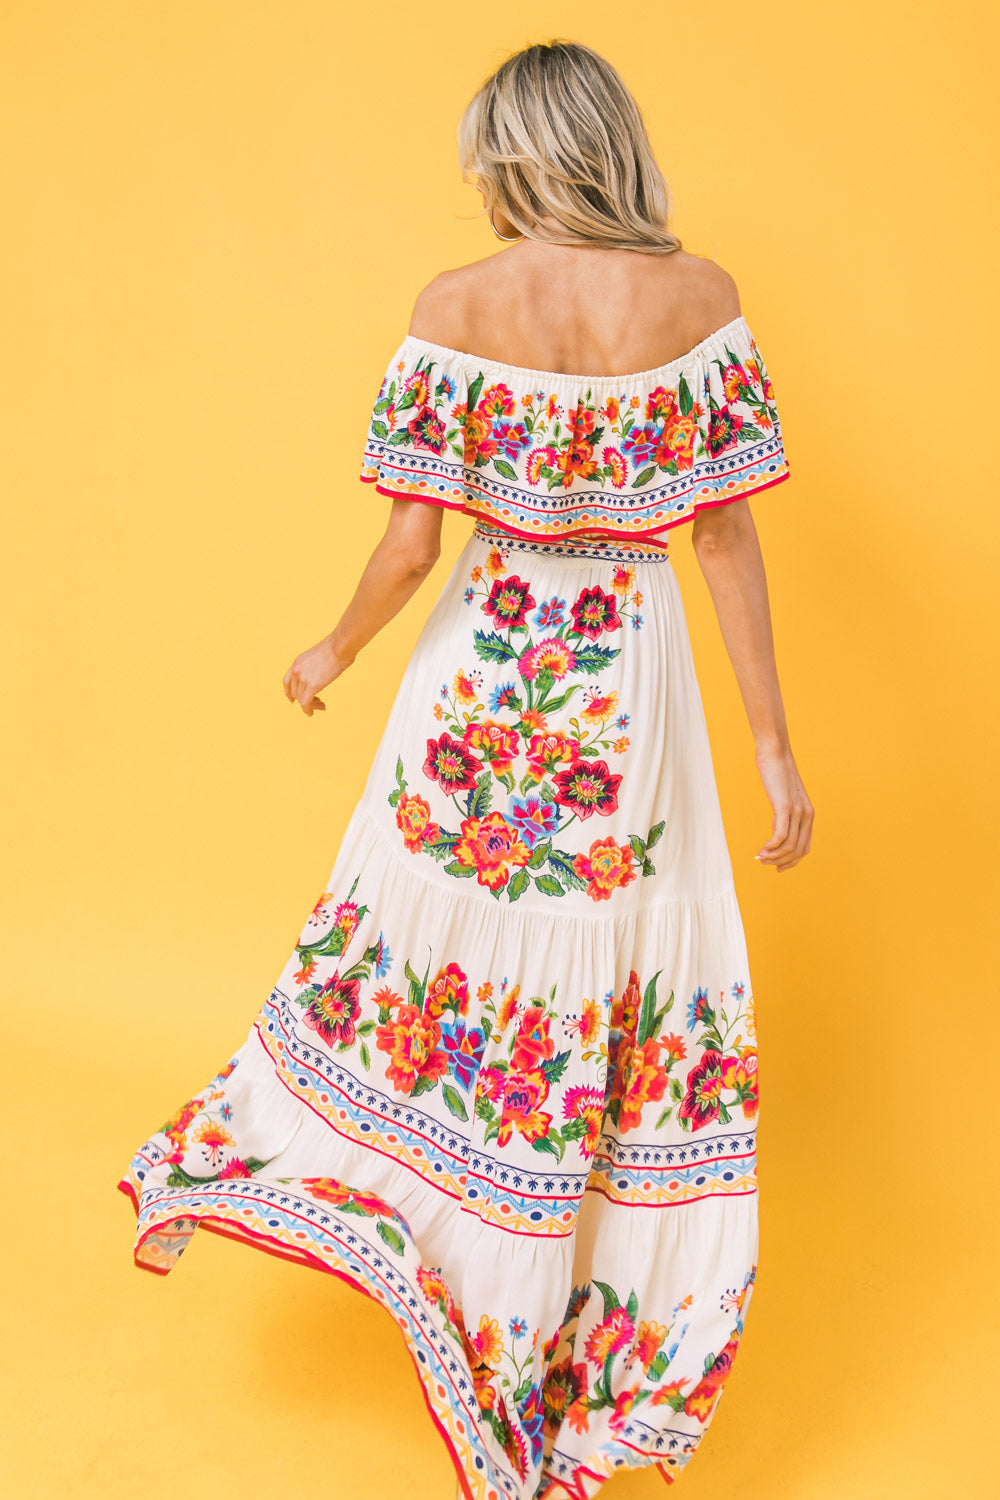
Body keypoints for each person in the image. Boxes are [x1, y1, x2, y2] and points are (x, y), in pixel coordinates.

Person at [117, 38, 813, 1500]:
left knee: (428, 969)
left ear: (510, 153)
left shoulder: (457, 310)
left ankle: (425, 1252)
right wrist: (767, 744)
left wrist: (336, 648)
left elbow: (413, 545)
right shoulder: (702, 304)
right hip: (629, 688)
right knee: (605, 976)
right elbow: (728, 539)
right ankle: (550, 1328)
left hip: (481, 694)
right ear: (613, 142)